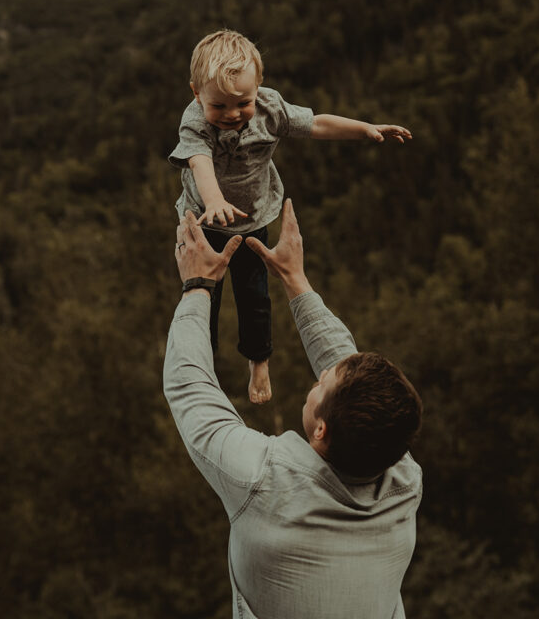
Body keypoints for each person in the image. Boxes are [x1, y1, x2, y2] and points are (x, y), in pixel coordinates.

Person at [164, 201, 423, 619]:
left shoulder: (263, 482)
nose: (317, 378)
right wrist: (295, 279)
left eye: (322, 387)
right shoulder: (403, 479)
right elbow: (347, 375)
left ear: (320, 431)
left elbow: (190, 389)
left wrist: (198, 285)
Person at [168, 29, 411, 404]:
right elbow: (199, 162)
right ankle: (205, 366)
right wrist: (213, 200)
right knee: (203, 295)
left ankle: (258, 359)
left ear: (259, 88)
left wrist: (364, 129)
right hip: (203, 221)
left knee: (255, 295)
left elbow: (316, 124)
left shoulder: (270, 107)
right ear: (196, 93)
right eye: (219, 106)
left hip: (252, 218)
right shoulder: (195, 121)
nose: (231, 115)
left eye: (242, 103)